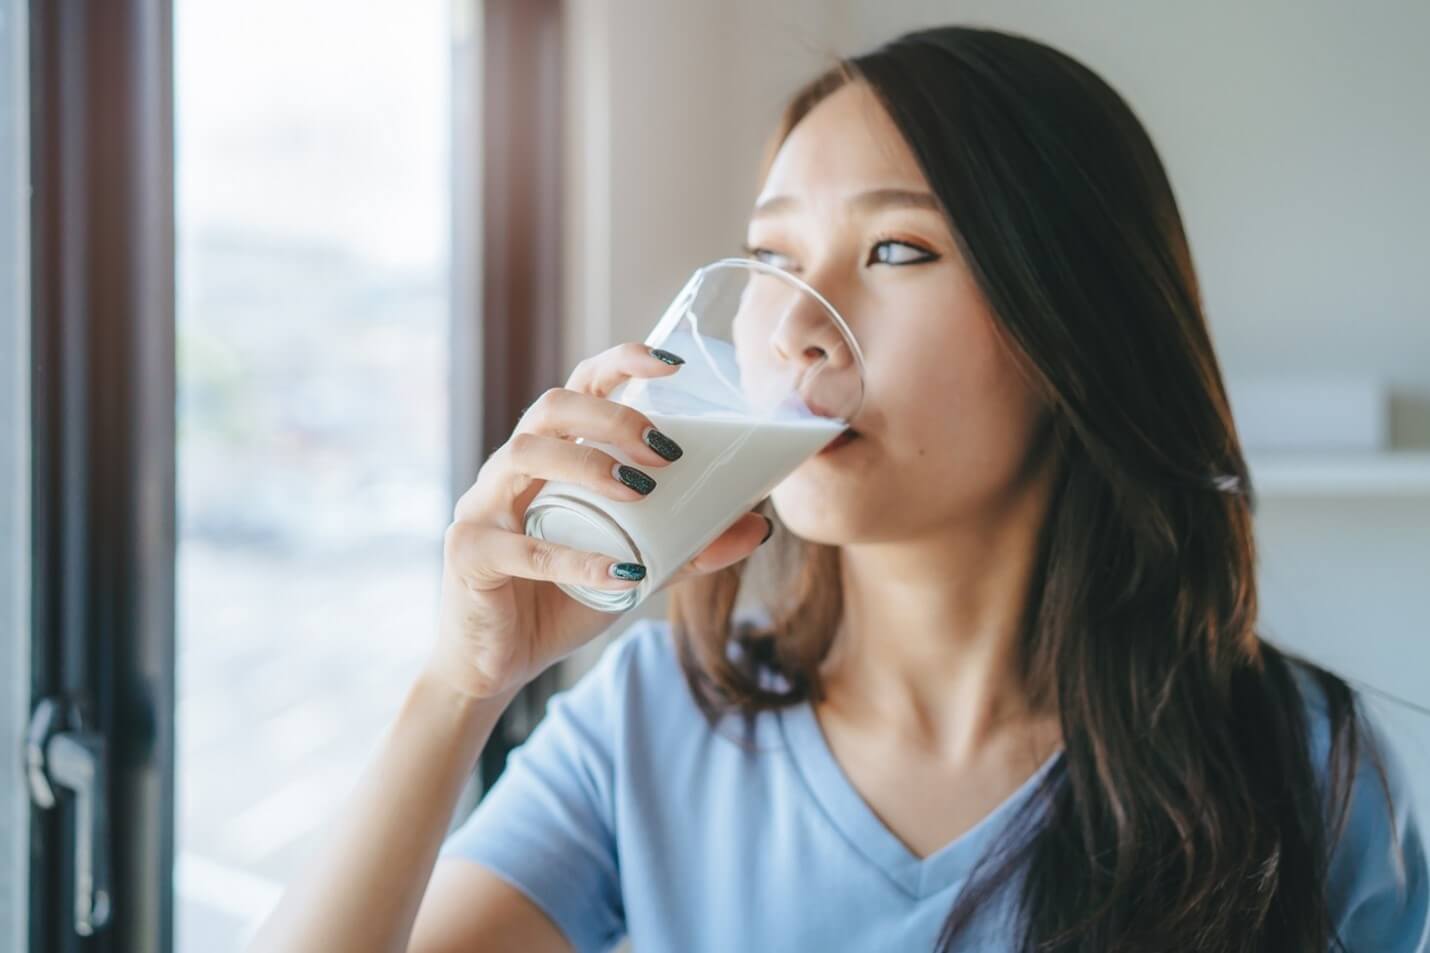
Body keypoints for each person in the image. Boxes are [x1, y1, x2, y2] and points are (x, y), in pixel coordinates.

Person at [250, 26, 1428, 953]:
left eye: (897, 251)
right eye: (770, 261)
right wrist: (459, 682)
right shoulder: (654, 719)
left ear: (1075, 325)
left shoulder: (1298, 764)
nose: (797, 332)